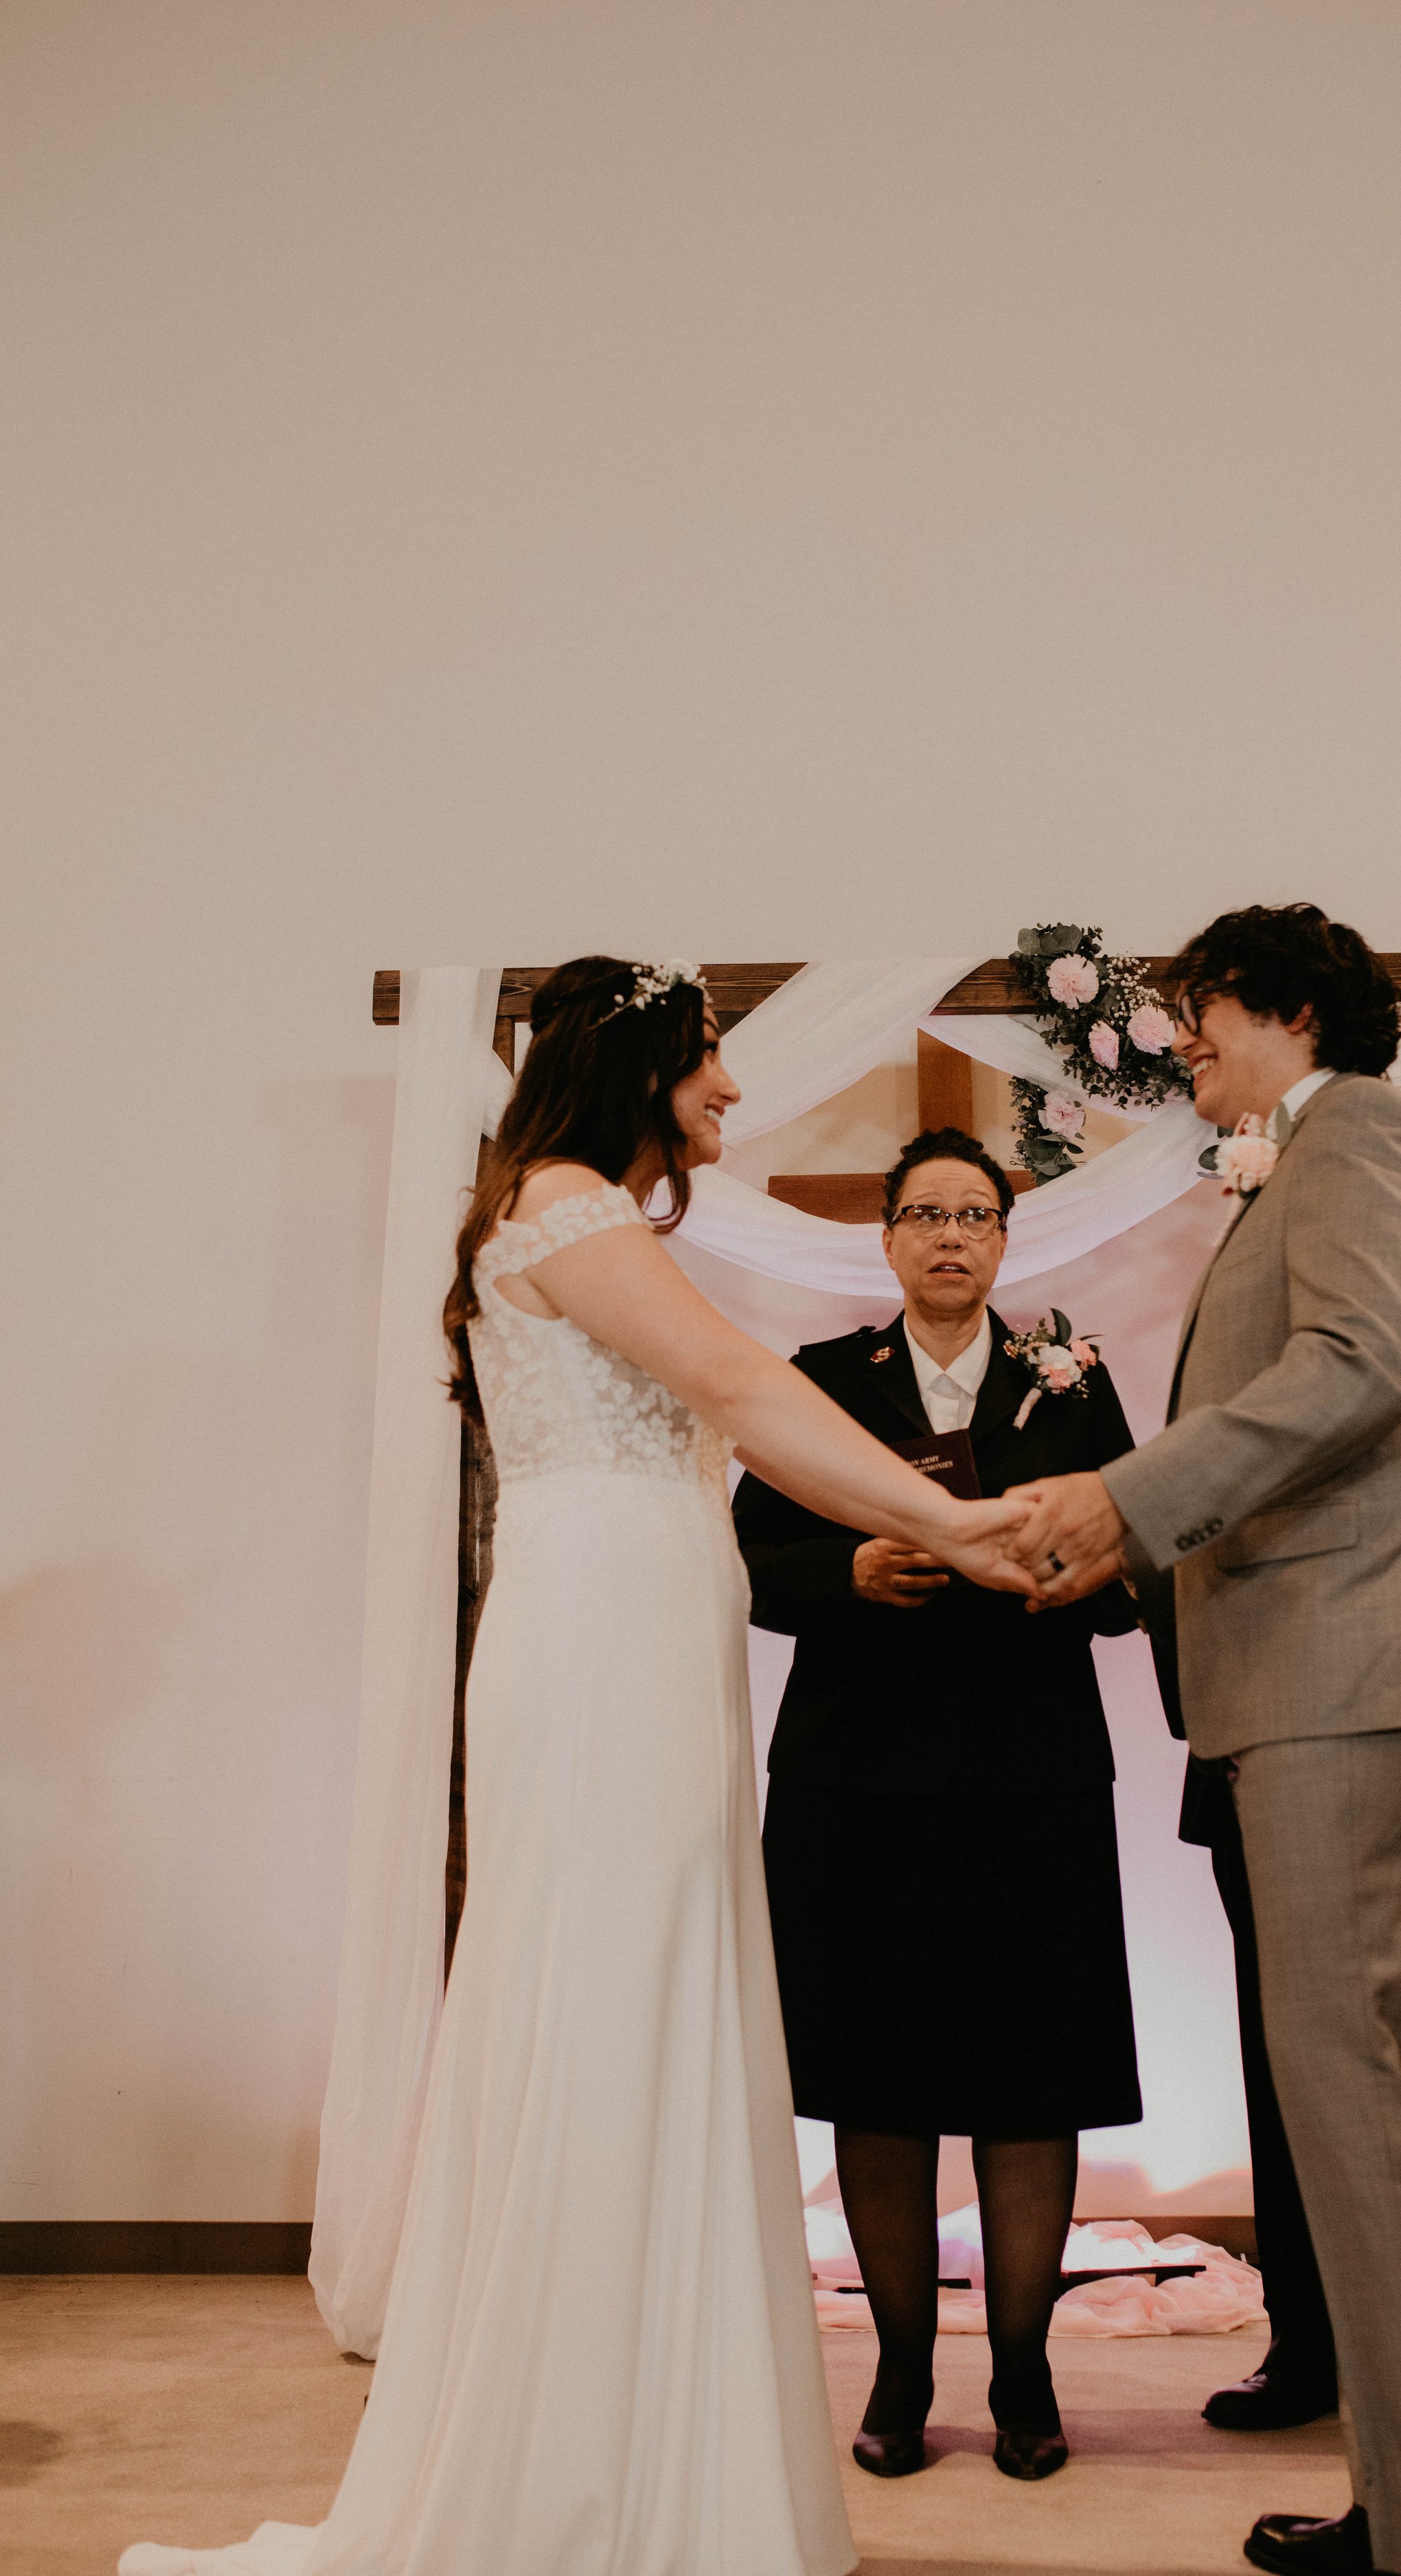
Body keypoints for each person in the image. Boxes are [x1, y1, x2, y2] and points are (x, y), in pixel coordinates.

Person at [122, 960, 1032, 2576]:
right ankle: (585, 2470)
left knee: (655, 1988)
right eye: (706, 1064)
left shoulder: (575, 1213)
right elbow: (745, 1394)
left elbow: (727, 1412)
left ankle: (664, 2449)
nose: (731, 1095)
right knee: (607, 1998)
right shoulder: (562, 1209)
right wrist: (946, 1516)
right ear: (630, 1067)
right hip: (605, 1643)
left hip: (636, 1633)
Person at [1006, 905, 1401, 2576]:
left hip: (1361, 1669)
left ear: (1287, 1010)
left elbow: (1362, 1363)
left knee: (1366, 2101)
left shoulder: (1363, 1130)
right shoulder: (1293, 1157)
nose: (1183, 1041)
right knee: (1353, 2108)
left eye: (1200, 1012)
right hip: (1326, 1676)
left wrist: (1128, 1497)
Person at [733, 1128, 1143, 2486]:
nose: (947, 1236)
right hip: (858, 1782)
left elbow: (1137, 1549)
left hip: (1029, 1774)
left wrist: (1072, 1573)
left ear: (1004, 1239)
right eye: (922, 1214)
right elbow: (750, 1553)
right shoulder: (820, 1381)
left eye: (973, 1213)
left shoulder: (1067, 1379)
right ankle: (901, 2368)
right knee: (880, 2082)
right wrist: (841, 1574)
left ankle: (1023, 2371)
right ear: (888, 1238)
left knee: (1033, 2083)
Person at [1148, 1292, 1401, 2463]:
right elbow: (1182, 1524)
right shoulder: (1238, 1344)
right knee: (1289, 2056)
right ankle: (1311, 2344)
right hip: (1260, 1746)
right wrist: (1215, 1695)